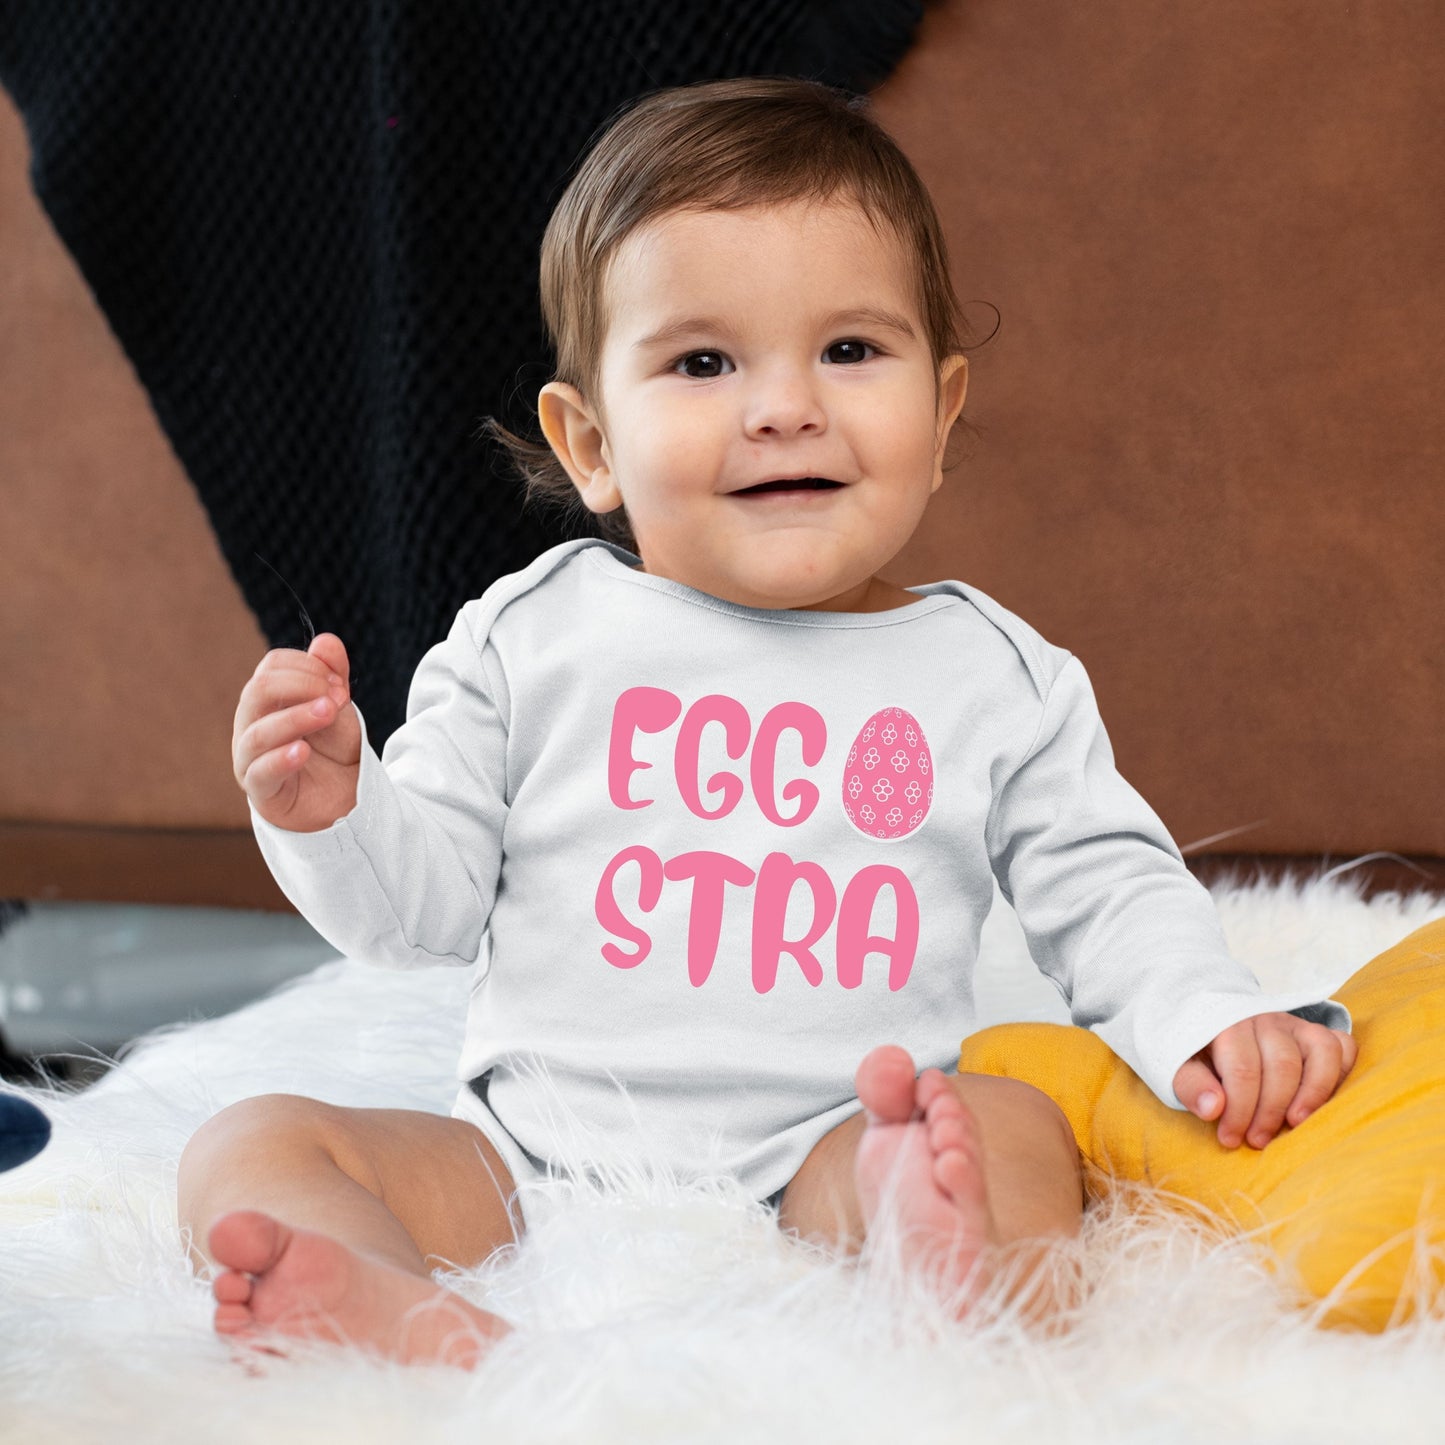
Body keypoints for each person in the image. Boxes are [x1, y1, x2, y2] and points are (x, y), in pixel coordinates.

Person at [179, 76, 1356, 1367]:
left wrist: (1202, 1013)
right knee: (248, 1145)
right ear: (590, 445)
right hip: (528, 1163)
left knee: (1010, 1127)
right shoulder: (531, 636)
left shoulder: (987, 675)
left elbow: (1108, 884)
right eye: (702, 362)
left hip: (835, 1149)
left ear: (942, 413)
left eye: (849, 351)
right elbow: (420, 914)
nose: (786, 405)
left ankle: (952, 1282)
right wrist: (335, 810)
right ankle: (406, 1315)